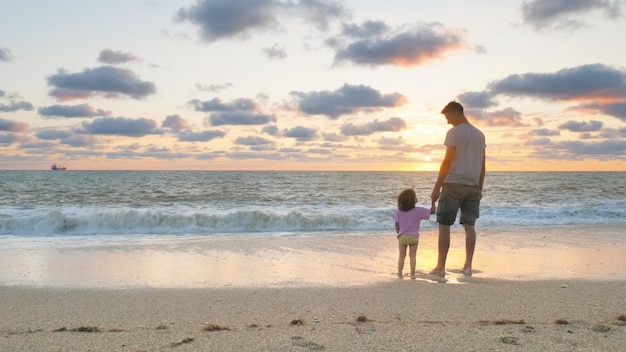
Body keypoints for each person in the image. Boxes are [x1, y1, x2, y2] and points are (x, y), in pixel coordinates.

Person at [430, 101, 486, 278]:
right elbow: (482, 165)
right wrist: (480, 187)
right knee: (470, 226)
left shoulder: (454, 133)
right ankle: (468, 266)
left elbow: (447, 162)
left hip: (454, 183)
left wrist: (436, 188)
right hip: (473, 186)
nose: (447, 122)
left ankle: (441, 267)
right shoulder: (480, 134)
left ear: (456, 113)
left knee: (444, 225)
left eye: (448, 117)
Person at [392, 188, 436, 279]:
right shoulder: (419, 210)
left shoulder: (399, 211)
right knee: (412, 256)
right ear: (413, 200)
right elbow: (432, 211)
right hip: (413, 237)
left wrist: (398, 234)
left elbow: (396, 224)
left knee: (401, 256)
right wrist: (433, 201)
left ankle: (400, 273)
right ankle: (412, 274)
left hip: (402, 236)